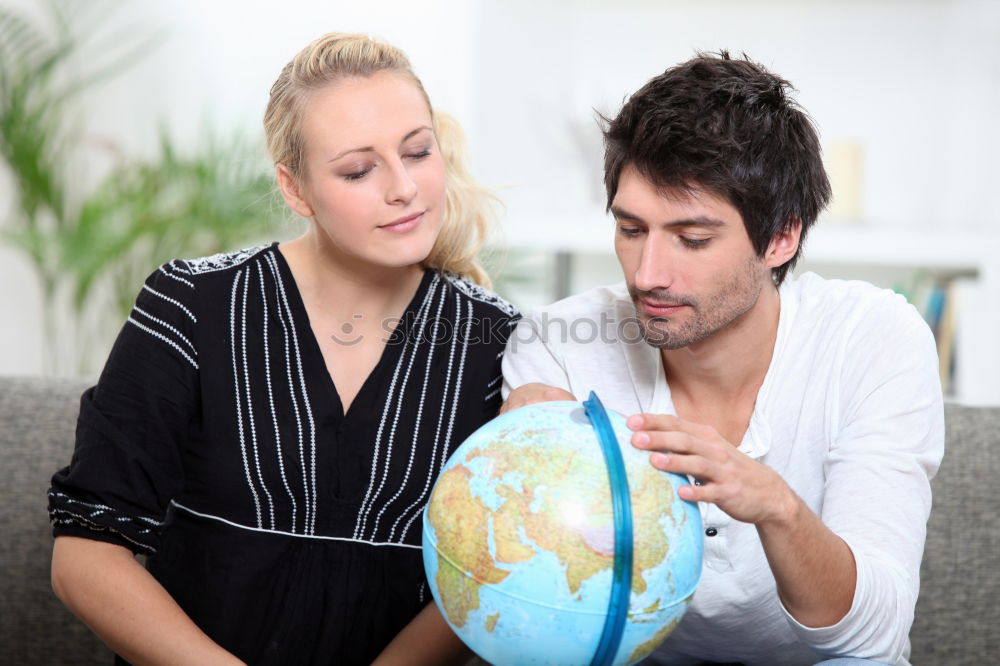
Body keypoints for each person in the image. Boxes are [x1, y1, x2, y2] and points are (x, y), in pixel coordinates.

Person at [48, 32, 518, 665]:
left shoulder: (500, 344)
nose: (403, 187)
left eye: (417, 152)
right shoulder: (190, 304)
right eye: (358, 169)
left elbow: (481, 573)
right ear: (295, 190)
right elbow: (86, 553)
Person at [501, 52, 943, 666]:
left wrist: (776, 506)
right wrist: (523, 467)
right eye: (631, 230)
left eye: (694, 239)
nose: (648, 274)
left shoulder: (873, 338)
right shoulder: (559, 344)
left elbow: (872, 639)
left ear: (781, 237)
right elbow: (532, 618)